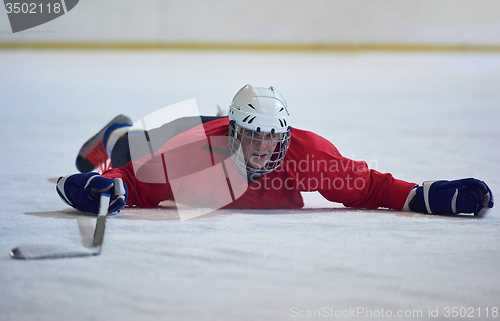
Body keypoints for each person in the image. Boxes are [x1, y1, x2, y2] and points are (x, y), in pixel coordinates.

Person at [56, 84, 494, 217]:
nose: (264, 149)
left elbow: (370, 188)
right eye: (253, 136)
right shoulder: (193, 152)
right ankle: (116, 131)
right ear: (235, 133)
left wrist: (420, 194)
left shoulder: (308, 154)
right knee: (131, 147)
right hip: (194, 131)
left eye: (272, 137)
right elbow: (133, 182)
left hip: (219, 125)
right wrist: (104, 185)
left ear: (284, 135)